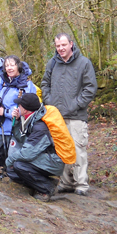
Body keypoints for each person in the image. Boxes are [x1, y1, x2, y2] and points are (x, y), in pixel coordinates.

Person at [41, 33, 97, 196]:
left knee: (78, 149)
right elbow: (45, 83)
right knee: (61, 149)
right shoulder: (52, 63)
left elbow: (90, 88)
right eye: (58, 46)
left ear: (71, 44)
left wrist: (75, 105)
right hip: (57, 116)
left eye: (63, 45)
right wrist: (49, 102)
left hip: (77, 116)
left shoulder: (84, 63)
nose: (61, 49)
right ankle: (66, 182)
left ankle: (81, 184)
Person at [0, 55, 37, 166]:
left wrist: (5, 112)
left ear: (18, 66)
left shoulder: (27, 85)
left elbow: (28, 109)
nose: (9, 68)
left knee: (12, 159)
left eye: (12, 65)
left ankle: (10, 177)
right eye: (7, 65)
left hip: (16, 128)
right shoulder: (3, 80)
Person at [5, 93, 65, 202]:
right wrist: (17, 122)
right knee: (12, 171)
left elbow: (27, 153)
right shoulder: (32, 119)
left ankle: (47, 188)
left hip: (53, 160)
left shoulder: (40, 126)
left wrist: (9, 160)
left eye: (20, 106)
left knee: (19, 165)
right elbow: (23, 140)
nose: (17, 107)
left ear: (26, 110)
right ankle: (45, 183)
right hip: (44, 157)